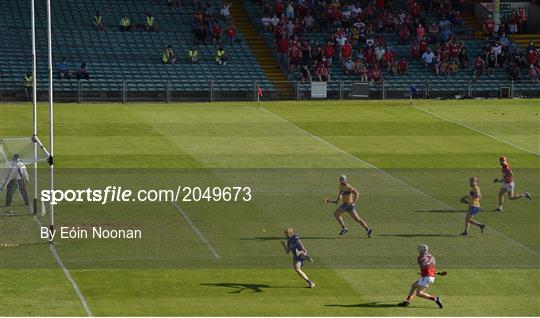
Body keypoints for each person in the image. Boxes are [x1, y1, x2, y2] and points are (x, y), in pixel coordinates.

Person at [398, 244, 443, 309]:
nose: (419, 250)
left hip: (426, 277)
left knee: (419, 293)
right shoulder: (432, 256)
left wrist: (422, 273)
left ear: (422, 250)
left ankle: (436, 299)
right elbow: (430, 268)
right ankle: (408, 301)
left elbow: (423, 268)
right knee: (414, 285)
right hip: (431, 277)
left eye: (420, 249)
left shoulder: (420, 257)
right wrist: (438, 273)